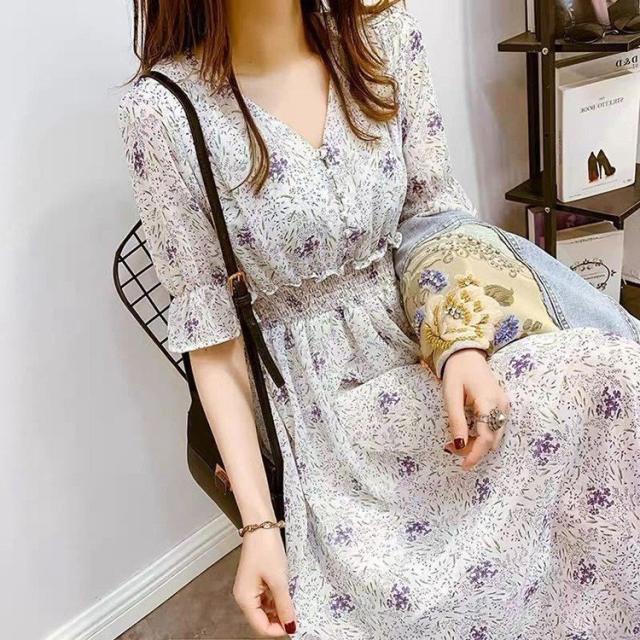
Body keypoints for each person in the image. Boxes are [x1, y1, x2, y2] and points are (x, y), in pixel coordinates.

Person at [118, 1, 640, 638]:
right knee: (419, 602)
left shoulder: (384, 39)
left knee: (608, 377)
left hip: (425, 338)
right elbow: (213, 342)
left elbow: (434, 216)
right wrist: (260, 527)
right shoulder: (164, 113)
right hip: (321, 412)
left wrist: (458, 343)